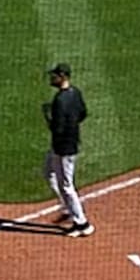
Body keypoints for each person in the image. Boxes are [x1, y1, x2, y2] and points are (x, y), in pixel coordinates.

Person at [44, 62, 93, 237]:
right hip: (69, 142)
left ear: (63, 77)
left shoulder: (59, 100)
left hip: (63, 149)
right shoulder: (76, 93)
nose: (52, 78)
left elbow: (56, 129)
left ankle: (82, 223)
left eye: (55, 76)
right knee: (49, 173)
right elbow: (83, 113)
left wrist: (48, 117)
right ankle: (67, 208)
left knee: (66, 186)